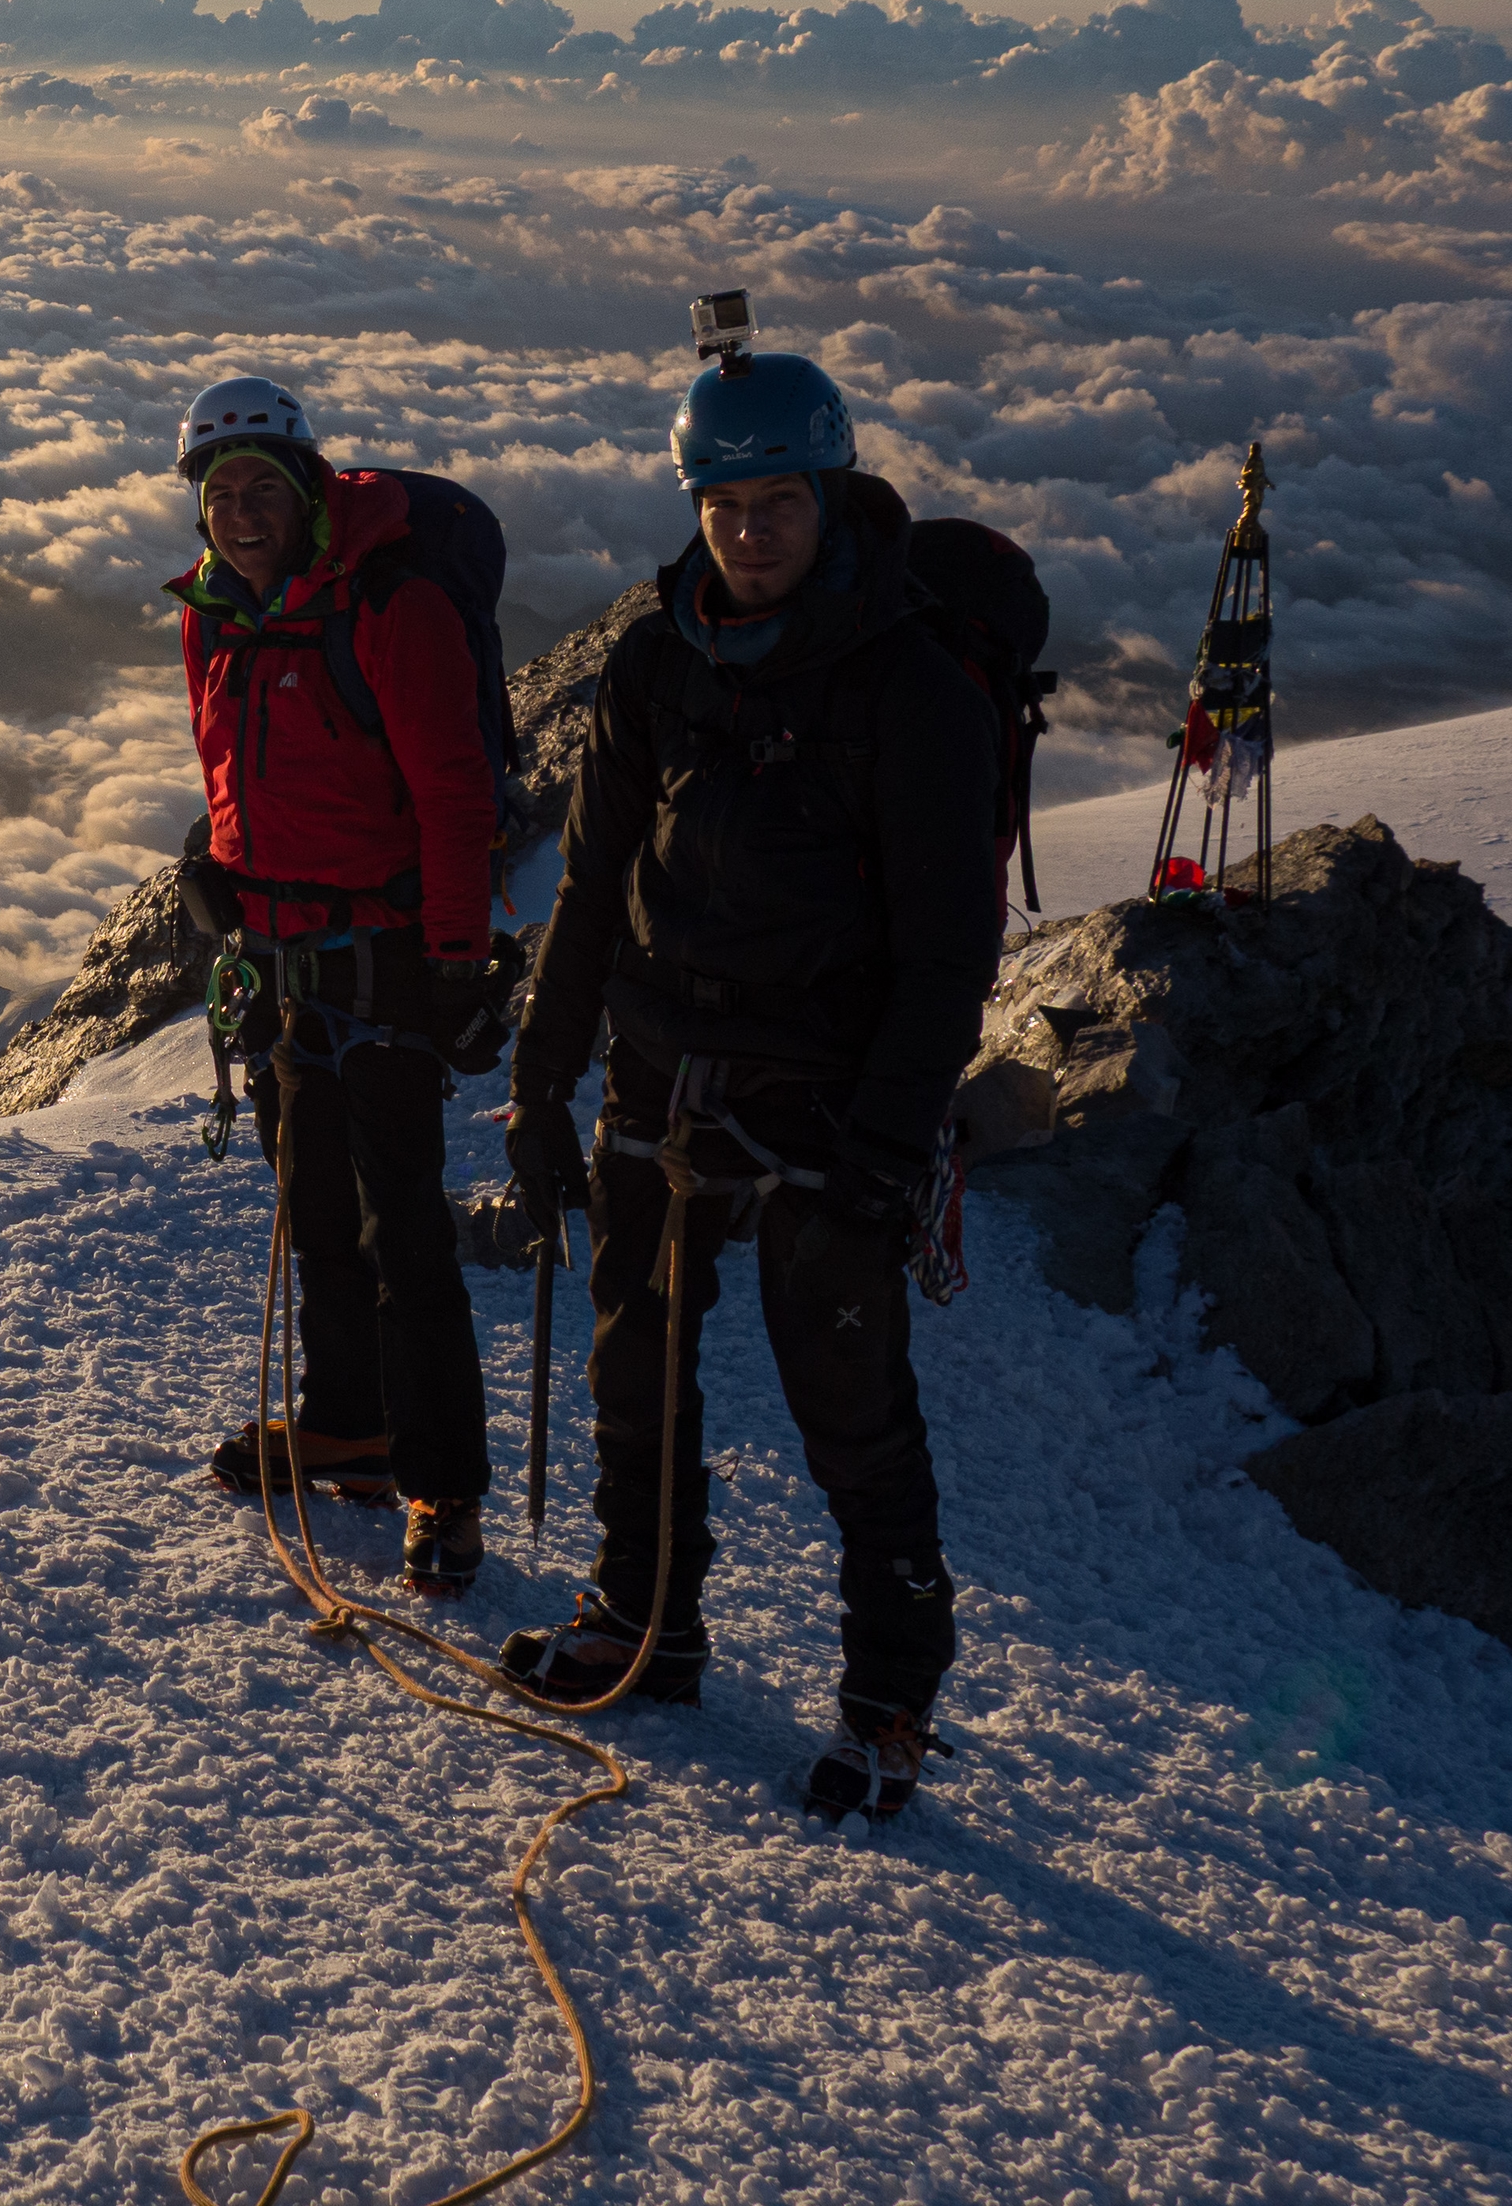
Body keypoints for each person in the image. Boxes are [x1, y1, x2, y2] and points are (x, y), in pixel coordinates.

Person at [500, 346, 1002, 1819]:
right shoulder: (657, 659)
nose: (749, 532)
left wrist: (892, 1138)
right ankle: (644, 1625)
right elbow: (593, 883)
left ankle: (888, 1703)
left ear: (829, 497)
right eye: (724, 502)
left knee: (850, 1406)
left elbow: (947, 949)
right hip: (659, 1065)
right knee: (636, 1372)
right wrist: (540, 1084)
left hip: (826, 1091)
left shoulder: (909, 686)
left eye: (778, 502)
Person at [169, 375, 510, 1597]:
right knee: (316, 1206)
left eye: (265, 484)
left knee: (404, 1227)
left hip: (385, 957)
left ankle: (444, 1484)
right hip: (277, 960)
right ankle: (349, 1423)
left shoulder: (391, 606)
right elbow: (236, 774)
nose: (243, 509)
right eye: (222, 493)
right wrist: (226, 888)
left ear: (309, 485)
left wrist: (459, 965)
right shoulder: (215, 613)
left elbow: (457, 796)